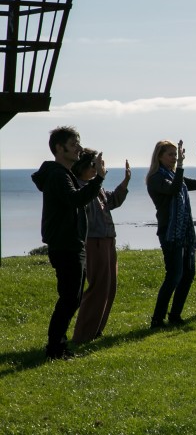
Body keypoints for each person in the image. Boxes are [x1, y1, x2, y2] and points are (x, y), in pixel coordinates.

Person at [31, 126, 107, 359]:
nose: (78, 148)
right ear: (58, 148)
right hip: (65, 245)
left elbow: (76, 196)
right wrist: (100, 179)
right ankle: (55, 348)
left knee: (72, 298)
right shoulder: (58, 175)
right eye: (73, 145)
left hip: (72, 243)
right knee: (69, 299)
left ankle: (59, 346)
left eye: (78, 144)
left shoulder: (64, 174)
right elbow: (76, 199)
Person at [147, 139, 196, 327]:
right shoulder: (156, 178)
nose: (174, 158)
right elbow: (173, 188)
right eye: (171, 155)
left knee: (188, 273)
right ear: (159, 156)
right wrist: (181, 165)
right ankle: (157, 320)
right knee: (174, 275)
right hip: (169, 234)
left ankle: (175, 315)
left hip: (184, 234)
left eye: (176, 155)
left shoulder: (175, 176)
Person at [70, 149, 130, 343]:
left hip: (107, 239)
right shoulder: (78, 186)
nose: (98, 168)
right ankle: (83, 335)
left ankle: (96, 331)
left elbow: (111, 201)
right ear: (83, 165)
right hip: (94, 241)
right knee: (98, 287)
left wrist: (125, 183)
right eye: (95, 164)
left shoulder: (95, 186)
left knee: (109, 287)